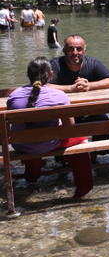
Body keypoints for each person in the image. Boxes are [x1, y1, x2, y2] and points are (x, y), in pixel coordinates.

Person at [7, 57, 94, 199]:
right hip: (48, 144)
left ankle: (32, 175)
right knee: (81, 139)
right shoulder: (59, 95)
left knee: (29, 137)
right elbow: (70, 128)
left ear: (28, 75)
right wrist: (58, 124)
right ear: (51, 75)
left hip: (21, 145)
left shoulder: (14, 96)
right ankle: (83, 188)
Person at [49, 35, 109, 163]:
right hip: (63, 114)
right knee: (56, 126)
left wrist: (89, 85)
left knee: (105, 122)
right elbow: (43, 85)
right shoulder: (55, 65)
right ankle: (62, 159)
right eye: (71, 49)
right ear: (64, 50)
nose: (75, 53)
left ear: (84, 51)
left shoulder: (92, 63)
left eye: (79, 49)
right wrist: (71, 88)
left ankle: (94, 155)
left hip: (88, 111)